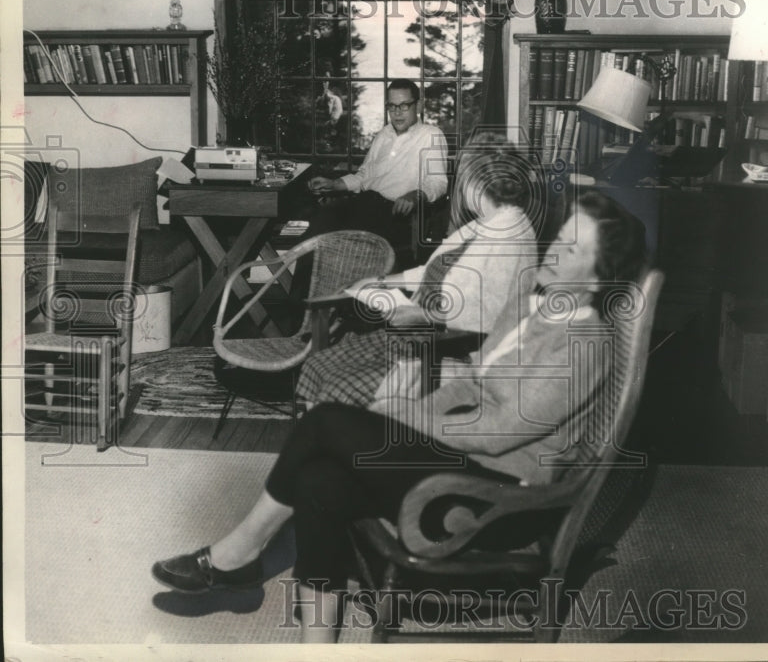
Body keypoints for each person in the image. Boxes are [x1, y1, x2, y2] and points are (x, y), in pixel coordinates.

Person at [152, 191, 648, 643]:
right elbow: (471, 379)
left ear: (597, 278)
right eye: (560, 237)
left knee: (325, 422)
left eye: (572, 248)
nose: (554, 250)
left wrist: (406, 423)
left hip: (498, 499)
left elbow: (501, 432)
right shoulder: (532, 304)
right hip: (462, 458)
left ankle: (238, 553)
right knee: (320, 480)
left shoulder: (585, 343)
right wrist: (407, 410)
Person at [295, 137, 539, 409]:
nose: (460, 186)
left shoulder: (508, 239)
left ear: (477, 182)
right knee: (318, 365)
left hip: (445, 347)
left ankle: (339, 431)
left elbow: (490, 315)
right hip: (419, 335)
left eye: (463, 178)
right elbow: (434, 270)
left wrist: (420, 315)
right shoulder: (487, 223)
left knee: (338, 383)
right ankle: (326, 429)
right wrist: (380, 281)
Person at [304, 79, 448, 248]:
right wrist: (333, 184)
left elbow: (438, 182)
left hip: (395, 214)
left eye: (404, 106)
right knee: (315, 227)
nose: (397, 112)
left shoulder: (431, 135)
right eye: (392, 106)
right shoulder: (384, 134)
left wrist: (416, 195)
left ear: (419, 106)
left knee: (335, 239)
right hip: (364, 203)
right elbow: (364, 175)